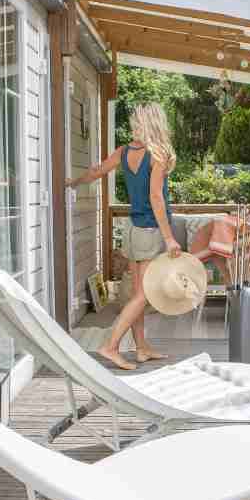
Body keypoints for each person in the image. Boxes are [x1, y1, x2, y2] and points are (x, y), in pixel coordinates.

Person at [66, 103, 179, 370]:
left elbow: (96, 171)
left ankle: (141, 348)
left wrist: (73, 182)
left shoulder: (124, 152)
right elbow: (155, 197)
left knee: (136, 293)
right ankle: (111, 346)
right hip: (148, 230)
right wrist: (170, 237)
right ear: (158, 123)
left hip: (130, 229)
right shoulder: (157, 155)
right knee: (144, 294)